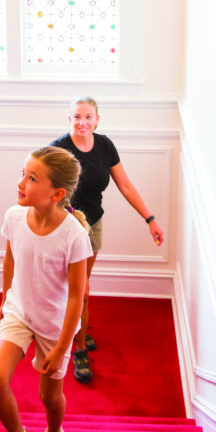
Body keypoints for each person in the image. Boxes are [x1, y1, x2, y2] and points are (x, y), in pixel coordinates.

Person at [0, 146, 92, 432]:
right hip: (19, 312)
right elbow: (10, 258)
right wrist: (6, 296)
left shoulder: (74, 236)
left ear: (56, 193)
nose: (21, 183)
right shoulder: (14, 216)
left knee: (49, 397)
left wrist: (61, 347)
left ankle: (54, 431)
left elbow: (76, 297)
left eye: (32, 178)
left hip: (54, 326)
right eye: (23, 173)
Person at [51, 96, 164, 383]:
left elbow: (125, 185)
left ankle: (77, 326)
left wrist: (149, 219)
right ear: (69, 119)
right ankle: (78, 350)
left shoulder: (105, 146)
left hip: (93, 224)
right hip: (65, 226)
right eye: (77, 117)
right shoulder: (59, 149)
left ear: (97, 119)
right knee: (79, 289)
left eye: (88, 117)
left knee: (82, 287)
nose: (82, 122)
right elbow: (42, 186)